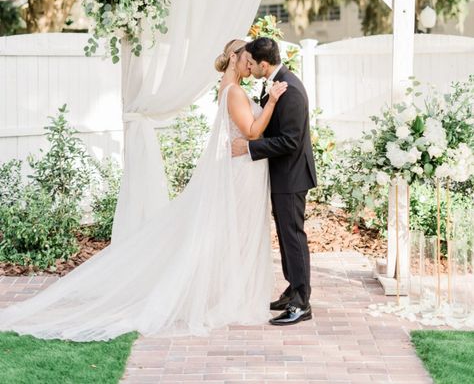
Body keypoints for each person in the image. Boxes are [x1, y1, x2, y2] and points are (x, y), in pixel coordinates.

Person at [0, 39, 287, 341]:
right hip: (242, 170)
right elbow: (253, 132)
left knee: (235, 233)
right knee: (236, 232)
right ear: (234, 57)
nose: (252, 61)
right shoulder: (234, 91)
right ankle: (231, 296)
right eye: (247, 56)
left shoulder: (231, 86)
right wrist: (271, 103)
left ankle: (231, 291)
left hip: (243, 167)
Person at [232, 37, 317, 326]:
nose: (250, 67)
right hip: (283, 175)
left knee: (293, 237)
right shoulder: (278, 84)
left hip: (292, 175)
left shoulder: (290, 90)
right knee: (286, 236)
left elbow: (291, 141)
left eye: (253, 63)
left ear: (264, 64)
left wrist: (250, 148)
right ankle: (292, 289)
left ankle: (301, 303)